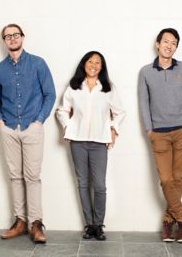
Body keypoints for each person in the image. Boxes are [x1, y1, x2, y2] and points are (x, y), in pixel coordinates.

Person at [0, 23, 56, 243]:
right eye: (8, 36)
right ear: (4, 41)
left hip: (32, 127)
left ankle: (36, 223)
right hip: (8, 128)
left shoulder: (38, 63)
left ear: (23, 37)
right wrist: (0, 122)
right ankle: (20, 221)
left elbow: (50, 94)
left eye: (15, 35)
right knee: (15, 176)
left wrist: (39, 121)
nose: (12, 39)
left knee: (32, 177)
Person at [56, 51, 125, 241]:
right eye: (90, 61)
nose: (93, 65)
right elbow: (61, 111)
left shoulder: (108, 88)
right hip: (77, 142)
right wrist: (68, 126)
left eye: (98, 63)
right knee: (83, 184)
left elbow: (120, 112)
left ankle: (99, 225)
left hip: (99, 142)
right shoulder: (74, 87)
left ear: (102, 67)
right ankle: (89, 225)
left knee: (100, 186)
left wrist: (113, 129)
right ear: (84, 64)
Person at [138, 28, 182, 243]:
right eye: (166, 41)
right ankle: (181, 220)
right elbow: (143, 101)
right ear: (157, 44)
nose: (169, 45)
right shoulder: (146, 72)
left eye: (174, 43)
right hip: (159, 133)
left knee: (177, 177)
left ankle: (168, 221)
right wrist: (149, 129)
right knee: (166, 179)